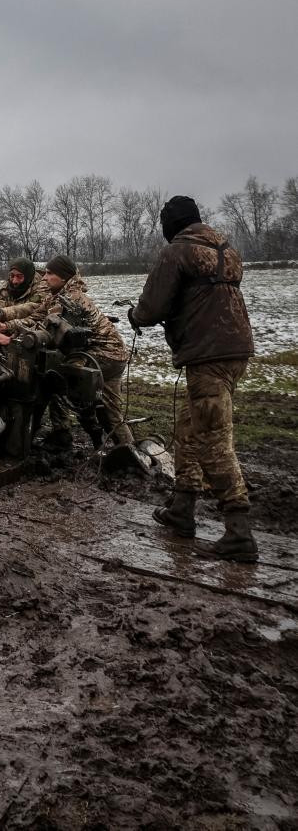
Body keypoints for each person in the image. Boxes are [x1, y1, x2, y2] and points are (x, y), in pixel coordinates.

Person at [129, 195, 256, 562]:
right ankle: (182, 508)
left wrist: (136, 317)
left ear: (171, 224)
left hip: (208, 354)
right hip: (236, 350)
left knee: (213, 439)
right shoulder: (225, 248)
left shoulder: (177, 252)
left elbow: (152, 307)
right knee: (188, 428)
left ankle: (238, 529)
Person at [0, 255, 134, 448]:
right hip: (105, 354)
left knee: (57, 381)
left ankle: (43, 434)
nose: (44, 278)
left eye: (50, 273)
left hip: (106, 354)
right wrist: (6, 326)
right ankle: (122, 450)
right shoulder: (57, 295)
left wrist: (10, 339)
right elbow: (37, 318)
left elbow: (47, 333)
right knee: (105, 408)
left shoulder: (70, 299)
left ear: (63, 277)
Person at [0, 257, 47, 325]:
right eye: (12, 275)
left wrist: (2, 313)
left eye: (19, 277)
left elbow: (31, 307)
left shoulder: (42, 286)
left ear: (28, 277)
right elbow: (3, 301)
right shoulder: (7, 285)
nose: (14, 281)